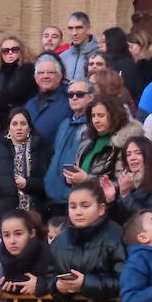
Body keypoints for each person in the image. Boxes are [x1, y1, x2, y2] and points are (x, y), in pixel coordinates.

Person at [44, 80, 95, 212]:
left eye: (79, 94)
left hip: (76, 199)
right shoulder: (64, 124)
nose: (74, 98)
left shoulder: (94, 126)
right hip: (52, 197)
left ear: (91, 97)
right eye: (70, 95)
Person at [4, 107, 49, 214]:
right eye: (15, 124)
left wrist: (26, 184)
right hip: (6, 208)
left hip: (35, 207)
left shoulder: (40, 147)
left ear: (29, 128)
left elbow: (47, 182)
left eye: (23, 124)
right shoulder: (0, 148)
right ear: (8, 128)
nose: (19, 128)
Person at [0, 36, 38, 128]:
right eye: (6, 50)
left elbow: (17, 92)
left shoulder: (28, 70)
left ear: (21, 51)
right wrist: (2, 100)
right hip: (0, 119)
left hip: (21, 118)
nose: (10, 53)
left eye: (14, 49)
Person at [24, 53, 70, 146]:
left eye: (50, 72)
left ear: (59, 76)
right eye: (41, 73)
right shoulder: (30, 105)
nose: (45, 76)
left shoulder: (70, 101)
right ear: (36, 78)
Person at [125, 30, 152, 101]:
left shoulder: (149, 61)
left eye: (131, 47)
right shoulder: (142, 60)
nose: (129, 50)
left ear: (141, 44)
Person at [58, 12, 99, 83]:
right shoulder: (62, 57)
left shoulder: (100, 55)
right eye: (70, 28)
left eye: (79, 28)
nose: (74, 33)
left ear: (88, 28)